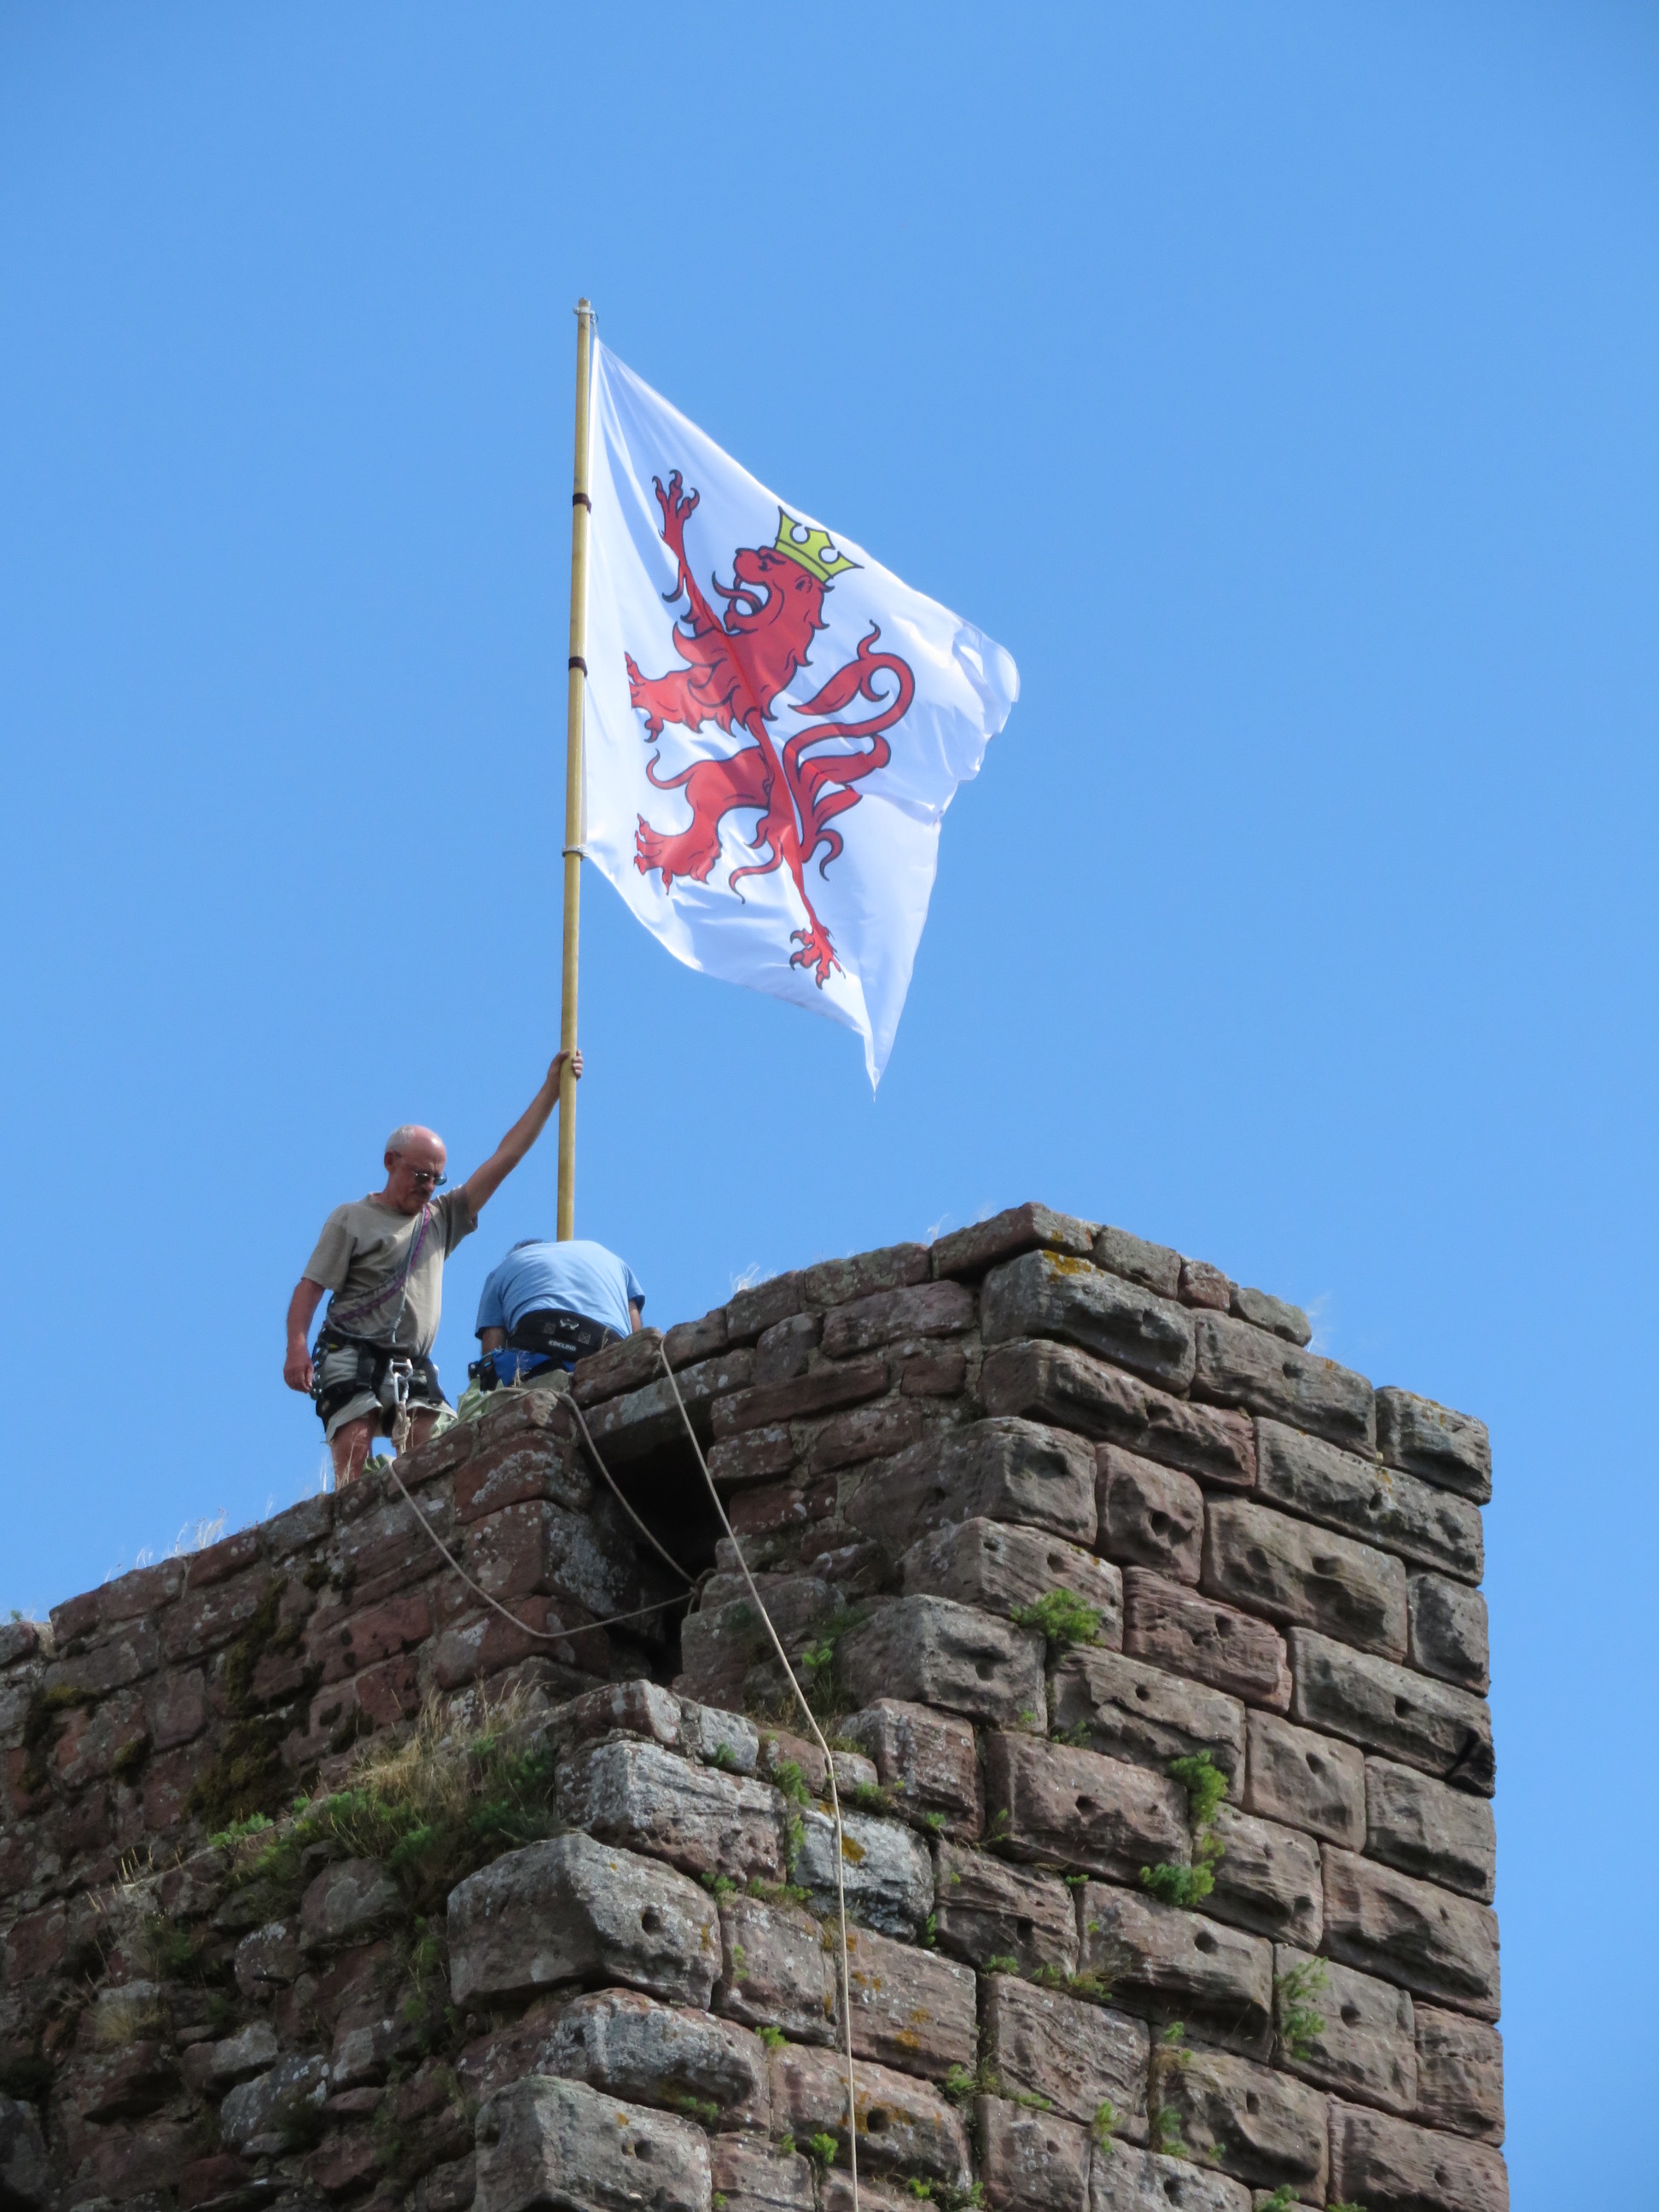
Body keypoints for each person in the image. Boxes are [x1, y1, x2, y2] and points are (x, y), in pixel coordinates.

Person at [282, 1049, 582, 1483]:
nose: (428, 1187)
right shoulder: (352, 1218)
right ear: (390, 1162)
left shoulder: (441, 1219)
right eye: (420, 1175)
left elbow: (504, 1159)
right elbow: (310, 1288)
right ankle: (349, 1514)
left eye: (436, 1178)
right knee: (354, 1450)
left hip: (410, 1361)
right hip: (350, 1350)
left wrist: (551, 1090)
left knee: (433, 1454)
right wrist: (296, 1347)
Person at [471, 1235, 645, 1391]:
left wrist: (489, 1384)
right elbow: (636, 1334)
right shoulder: (608, 1257)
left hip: (537, 1345)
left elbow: (490, 1352)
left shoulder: (506, 1266)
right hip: (607, 1349)